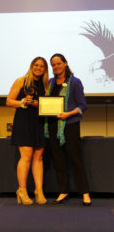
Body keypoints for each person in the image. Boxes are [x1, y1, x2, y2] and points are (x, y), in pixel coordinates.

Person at [44, 53, 91, 206]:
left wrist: (68, 114)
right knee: (58, 161)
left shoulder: (75, 82)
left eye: (58, 63)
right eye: (53, 64)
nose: (56, 67)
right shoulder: (50, 82)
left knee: (76, 160)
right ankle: (63, 191)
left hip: (70, 125)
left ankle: (85, 193)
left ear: (65, 63)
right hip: (52, 126)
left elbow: (82, 105)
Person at [6, 57, 49, 205]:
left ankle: (39, 190)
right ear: (31, 66)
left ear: (45, 69)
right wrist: (23, 102)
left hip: (39, 122)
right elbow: (9, 101)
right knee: (26, 156)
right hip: (23, 121)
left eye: (42, 66)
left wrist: (38, 104)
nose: (38, 68)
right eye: (36, 65)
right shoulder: (21, 81)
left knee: (39, 157)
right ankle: (22, 190)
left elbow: (47, 105)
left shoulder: (46, 84)